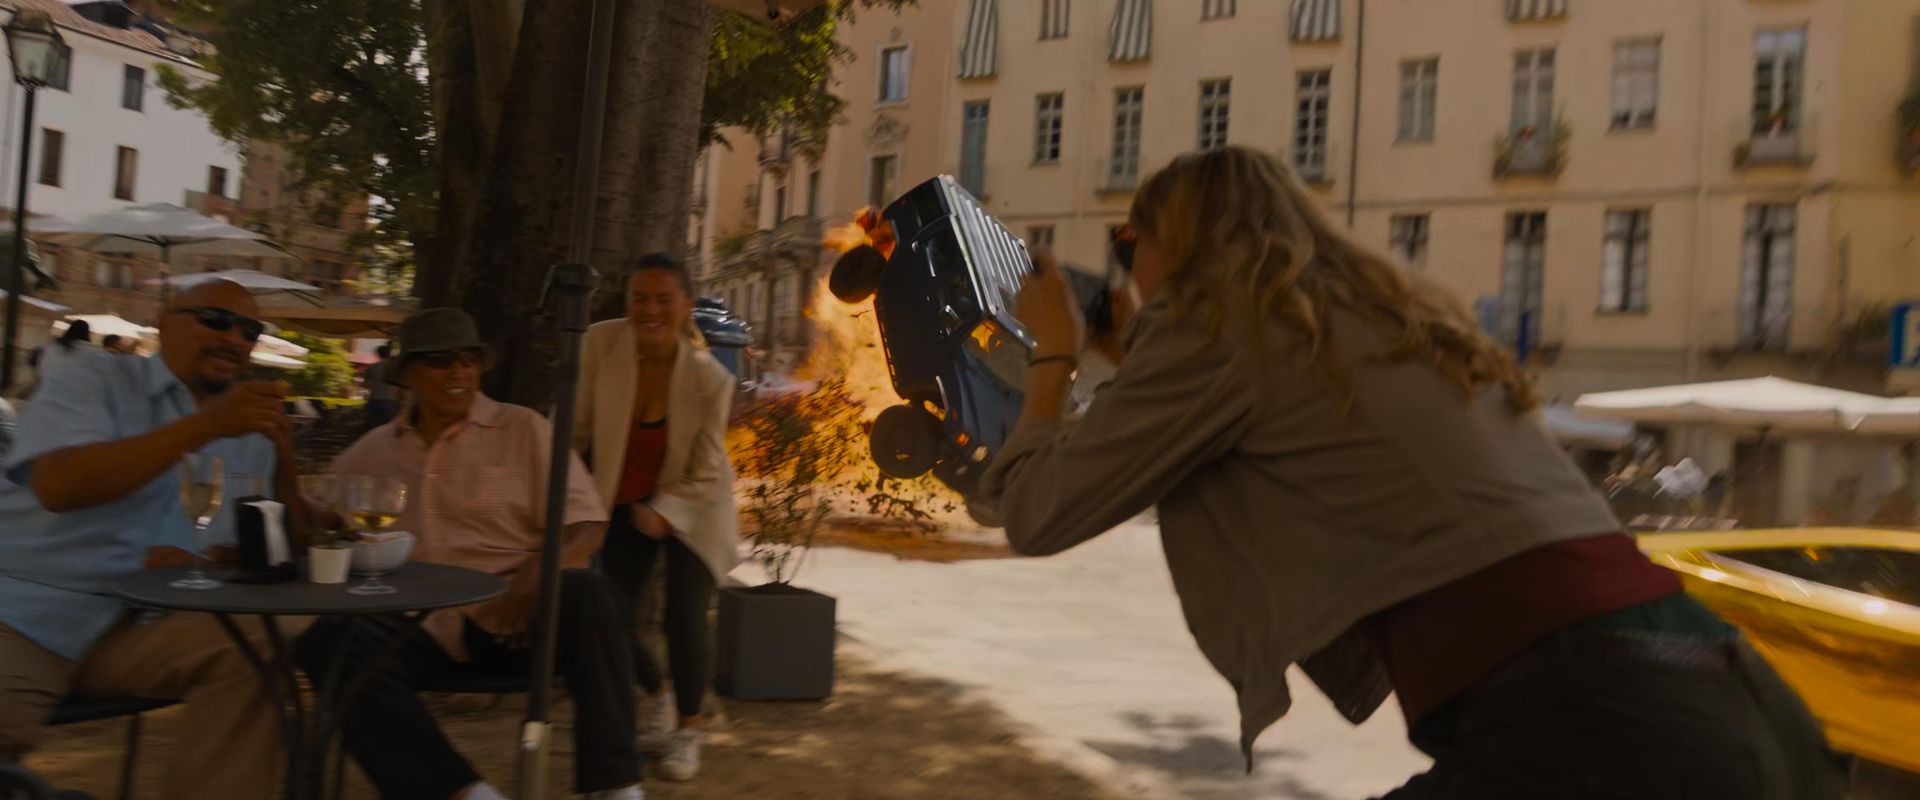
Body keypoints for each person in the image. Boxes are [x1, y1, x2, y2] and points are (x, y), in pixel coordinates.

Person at [982, 147, 1845, 800]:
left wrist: (1054, 351)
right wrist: (1120, 348)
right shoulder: (1388, 319)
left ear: (1176, 241)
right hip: (1734, 698)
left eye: (1133, 240)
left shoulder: (1217, 321)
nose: (1132, 268)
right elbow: (1246, 406)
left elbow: (1038, 512)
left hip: (1598, 720)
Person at [295, 308, 643, 800]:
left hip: (516, 621)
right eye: (440, 361)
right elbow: (319, 516)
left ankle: (617, 788)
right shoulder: (374, 450)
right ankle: (462, 793)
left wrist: (537, 571)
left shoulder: (523, 429)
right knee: (327, 640)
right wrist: (273, 463)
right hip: (416, 627)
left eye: (468, 358)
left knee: (590, 593)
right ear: (408, 374)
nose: (458, 371)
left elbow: (587, 523)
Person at [0, 280, 300, 799]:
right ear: (165, 322)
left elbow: (264, 551)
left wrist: (286, 462)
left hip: (142, 627)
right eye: (215, 319)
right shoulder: (95, 375)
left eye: (249, 330)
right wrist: (204, 427)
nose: (234, 337)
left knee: (257, 646)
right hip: (29, 612)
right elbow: (59, 485)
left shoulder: (249, 431)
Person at [574, 253, 739, 782]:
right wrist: (566, 497)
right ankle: (657, 696)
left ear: (686, 305)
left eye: (663, 299)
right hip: (623, 498)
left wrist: (667, 514)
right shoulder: (601, 344)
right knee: (609, 613)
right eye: (639, 297)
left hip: (694, 503)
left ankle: (689, 728)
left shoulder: (709, 378)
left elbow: (708, 468)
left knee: (683, 616)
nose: (649, 309)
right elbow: (575, 429)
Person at [361, 343, 401, 432]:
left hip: (375, 400)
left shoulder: (372, 367)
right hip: (390, 402)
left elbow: (367, 385)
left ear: (378, 354)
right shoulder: (395, 368)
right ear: (389, 354)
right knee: (388, 431)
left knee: (372, 430)